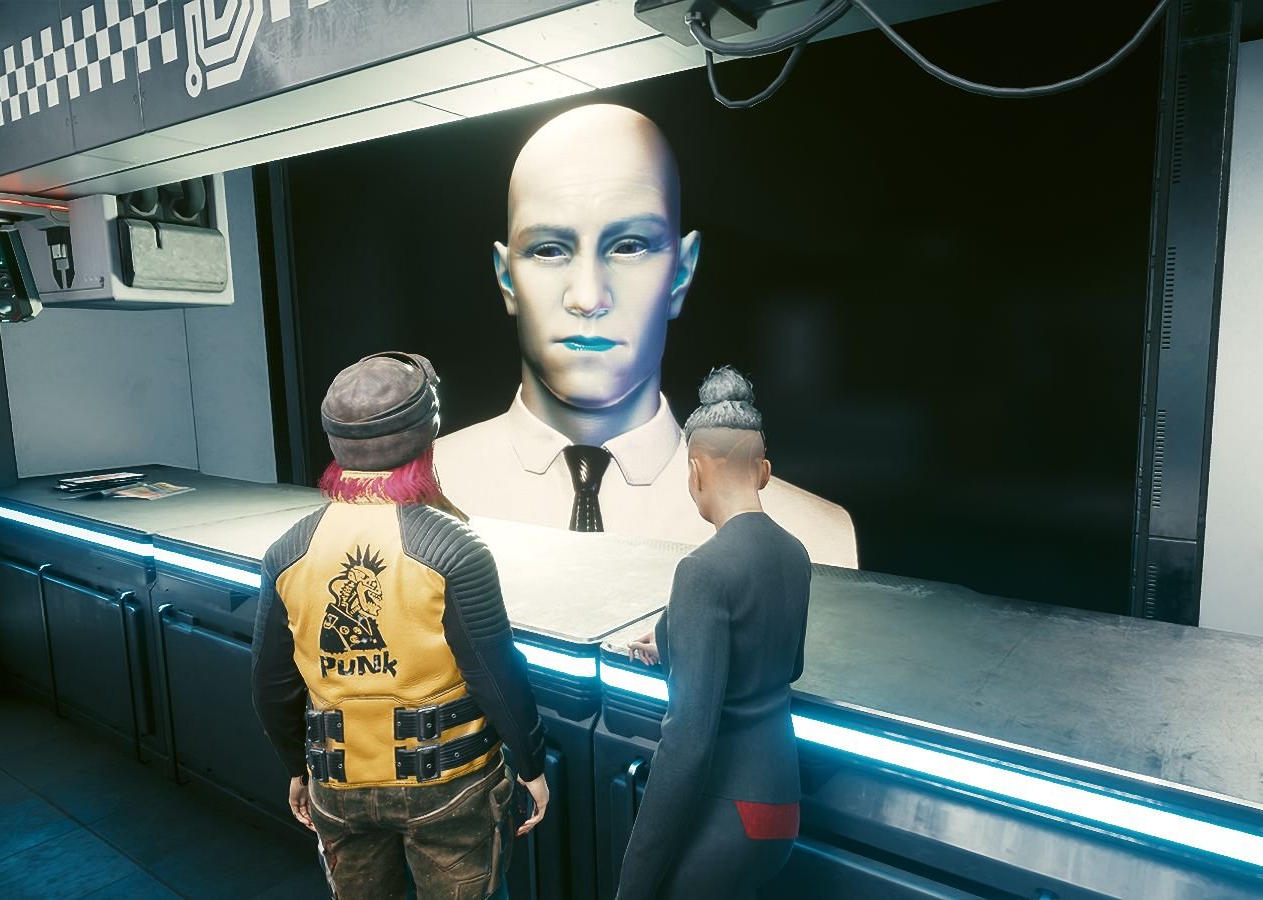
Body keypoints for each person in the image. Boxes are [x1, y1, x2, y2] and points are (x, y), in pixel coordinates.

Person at [432, 103, 859, 568]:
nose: (588, 297)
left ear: (681, 271)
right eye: (549, 250)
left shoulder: (815, 538)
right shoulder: (410, 495)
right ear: (507, 277)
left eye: (630, 246)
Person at [250, 351, 550, 899]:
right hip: (449, 787)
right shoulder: (453, 546)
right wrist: (530, 763)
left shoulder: (288, 551)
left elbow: (271, 683)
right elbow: (494, 672)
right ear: (426, 437)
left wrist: (298, 766)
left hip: (337, 784)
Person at [614, 366, 812, 900]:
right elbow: (787, 665)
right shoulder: (795, 553)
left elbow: (687, 743)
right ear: (764, 471)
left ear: (696, 470)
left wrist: (633, 882)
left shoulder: (702, 569)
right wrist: (674, 641)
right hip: (780, 806)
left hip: (728, 808)